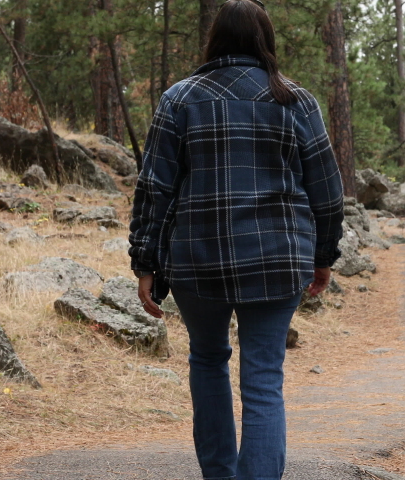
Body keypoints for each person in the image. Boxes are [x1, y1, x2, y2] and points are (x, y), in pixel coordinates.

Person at [128, 0, 344, 478]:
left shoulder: (179, 100)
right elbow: (327, 190)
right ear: (265, 40)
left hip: (196, 261)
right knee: (264, 379)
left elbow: (154, 187)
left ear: (215, 39)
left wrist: (146, 262)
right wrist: (323, 255)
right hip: (277, 258)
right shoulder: (296, 101)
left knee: (207, 360)